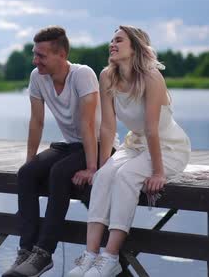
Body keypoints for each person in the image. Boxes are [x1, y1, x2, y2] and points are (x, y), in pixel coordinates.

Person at [68, 25, 191, 277]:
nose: (112, 44)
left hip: (168, 148)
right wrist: (102, 168)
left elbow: (153, 130)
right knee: (104, 177)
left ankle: (110, 258)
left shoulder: (151, 77)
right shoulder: (107, 76)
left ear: (135, 47)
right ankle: (90, 256)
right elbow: (108, 126)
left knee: (125, 177)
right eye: (111, 40)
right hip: (134, 144)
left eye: (119, 40)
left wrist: (158, 172)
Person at [3, 26, 104, 277]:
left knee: (59, 173)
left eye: (41, 55)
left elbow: (88, 124)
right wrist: (31, 162)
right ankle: (26, 251)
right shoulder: (37, 77)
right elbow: (36, 121)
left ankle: (44, 253)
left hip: (98, 145)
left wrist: (92, 168)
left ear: (61, 54)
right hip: (70, 145)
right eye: (34, 54)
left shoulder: (83, 75)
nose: (35, 60)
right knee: (26, 174)